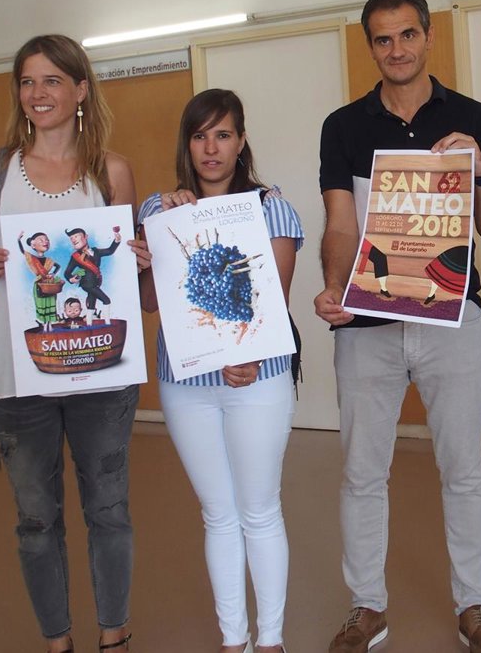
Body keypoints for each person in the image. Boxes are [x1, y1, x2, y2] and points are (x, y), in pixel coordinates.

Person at [314, 0, 481, 653]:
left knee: (465, 469)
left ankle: (475, 606)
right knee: (361, 472)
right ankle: (367, 607)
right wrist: (333, 285)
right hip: (365, 321)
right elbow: (341, 223)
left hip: (451, 318)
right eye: (382, 38)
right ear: (370, 46)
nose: (396, 49)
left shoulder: (473, 117)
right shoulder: (343, 127)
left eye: (407, 35)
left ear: (428, 36)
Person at [0, 34, 147, 653]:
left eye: (52, 81)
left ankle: (114, 635)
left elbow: (124, 270)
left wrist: (137, 258)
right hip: (17, 375)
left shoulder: (112, 171)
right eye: (27, 81)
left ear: (81, 90)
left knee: (109, 511)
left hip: (101, 373)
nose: (37, 94)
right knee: (37, 520)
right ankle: (57, 641)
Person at [138, 88, 303, 653]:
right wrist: (152, 247)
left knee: (259, 510)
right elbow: (149, 302)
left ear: (241, 142)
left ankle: (271, 640)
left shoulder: (270, 207)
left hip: (257, 379)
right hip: (187, 384)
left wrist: (248, 354)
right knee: (217, 514)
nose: (211, 148)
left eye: (223, 135)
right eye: (200, 136)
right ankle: (234, 640)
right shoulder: (158, 211)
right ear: (187, 144)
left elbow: (273, 302)